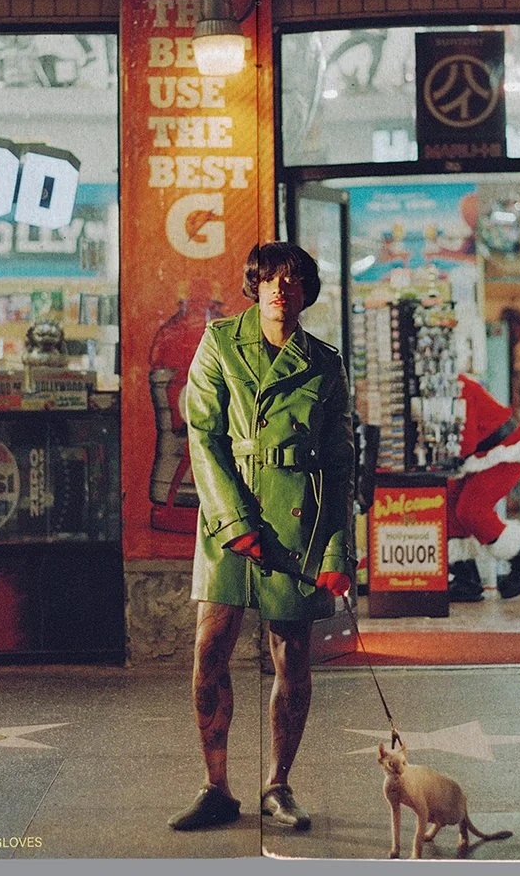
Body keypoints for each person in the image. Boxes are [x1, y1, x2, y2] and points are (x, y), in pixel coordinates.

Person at [168, 242, 355, 834]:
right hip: (230, 520)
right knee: (209, 650)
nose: (280, 289)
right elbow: (202, 435)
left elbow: (339, 460)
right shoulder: (220, 342)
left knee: (292, 656)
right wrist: (233, 521)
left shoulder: (325, 362)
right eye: (270, 278)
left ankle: (278, 784)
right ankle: (216, 787)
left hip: (297, 522)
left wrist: (335, 550)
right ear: (255, 286)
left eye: (293, 280)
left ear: (306, 292)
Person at [449, 374, 520, 601]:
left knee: (472, 510)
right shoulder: (453, 384)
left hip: (507, 451)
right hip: (484, 454)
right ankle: (466, 579)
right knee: (452, 506)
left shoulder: (458, 386)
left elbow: (467, 440)